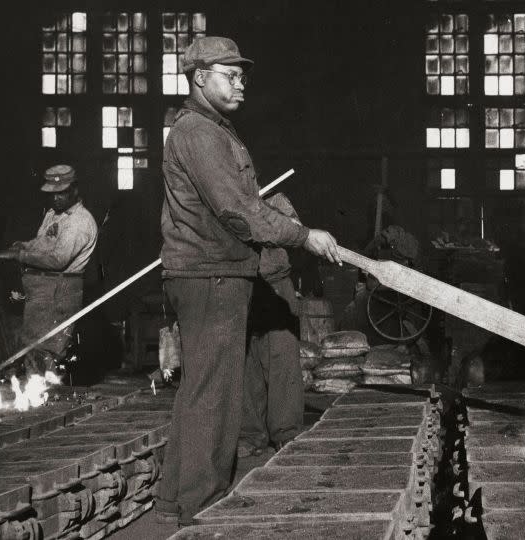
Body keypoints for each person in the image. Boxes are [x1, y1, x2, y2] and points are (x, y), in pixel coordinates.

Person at [156, 36, 341, 526]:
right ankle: (203, 505)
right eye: (229, 74)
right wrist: (304, 236)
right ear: (199, 77)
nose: (241, 83)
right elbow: (239, 211)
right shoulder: (199, 133)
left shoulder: (212, 130)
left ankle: (175, 498)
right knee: (216, 393)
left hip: (209, 272)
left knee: (200, 387)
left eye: (242, 75)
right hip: (211, 273)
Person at [0, 164, 98, 376]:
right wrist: (23, 246)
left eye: (62, 193)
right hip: (43, 289)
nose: (56, 198)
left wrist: (19, 256)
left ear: (75, 190)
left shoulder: (80, 221)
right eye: (52, 194)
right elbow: (43, 243)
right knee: (32, 344)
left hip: (59, 289)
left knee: (47, 348)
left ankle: (45, 399)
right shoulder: (54, 214)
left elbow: (58, 259)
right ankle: (37, 395)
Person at [240, 194, 304, 455]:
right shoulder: (229, 197)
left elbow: (296, 231)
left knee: (282, 360)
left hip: (277, 287)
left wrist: (263, 210)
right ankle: (250, 435)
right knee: (247, 363)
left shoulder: (276, 198)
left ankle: (286, 433)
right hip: (245, 287)